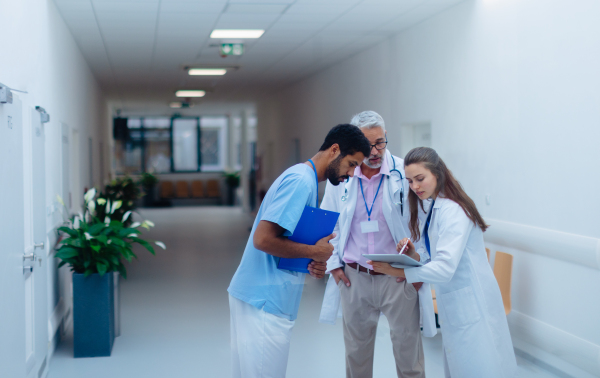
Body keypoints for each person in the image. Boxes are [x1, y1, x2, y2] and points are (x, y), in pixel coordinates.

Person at [228, 124, 371, 378]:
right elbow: (262, 239)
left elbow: (286, 240)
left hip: (265, 296)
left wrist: (310, 257)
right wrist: (314, 251)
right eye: (351, 164)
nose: (350, 173)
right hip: (263, 300)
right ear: (334, 150)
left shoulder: (304, 179)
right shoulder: (300, 182)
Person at [368, 147, 518, 378]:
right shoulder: (435, 207)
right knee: (462, 366)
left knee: (480, 366)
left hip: (472, 303)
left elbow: (446, 267)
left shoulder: (454, 211)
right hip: (457, 301)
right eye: (409, 181)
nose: (415, 187)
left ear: (437, 174)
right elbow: (435, 256)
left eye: (420, 179)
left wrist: (397, 271)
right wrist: (413, 256)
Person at [318, 111, 436, 378]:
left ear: (386, 138)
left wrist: (419, 271)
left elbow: (425, 223)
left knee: (409, 357)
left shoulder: (404, 173)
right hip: (354, 277)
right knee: (356, 357)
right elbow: (329, 222)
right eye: (368, 144)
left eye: (380, 142)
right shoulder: (343, 174)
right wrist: (335, 266)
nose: (374, 151)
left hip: (397, 278)